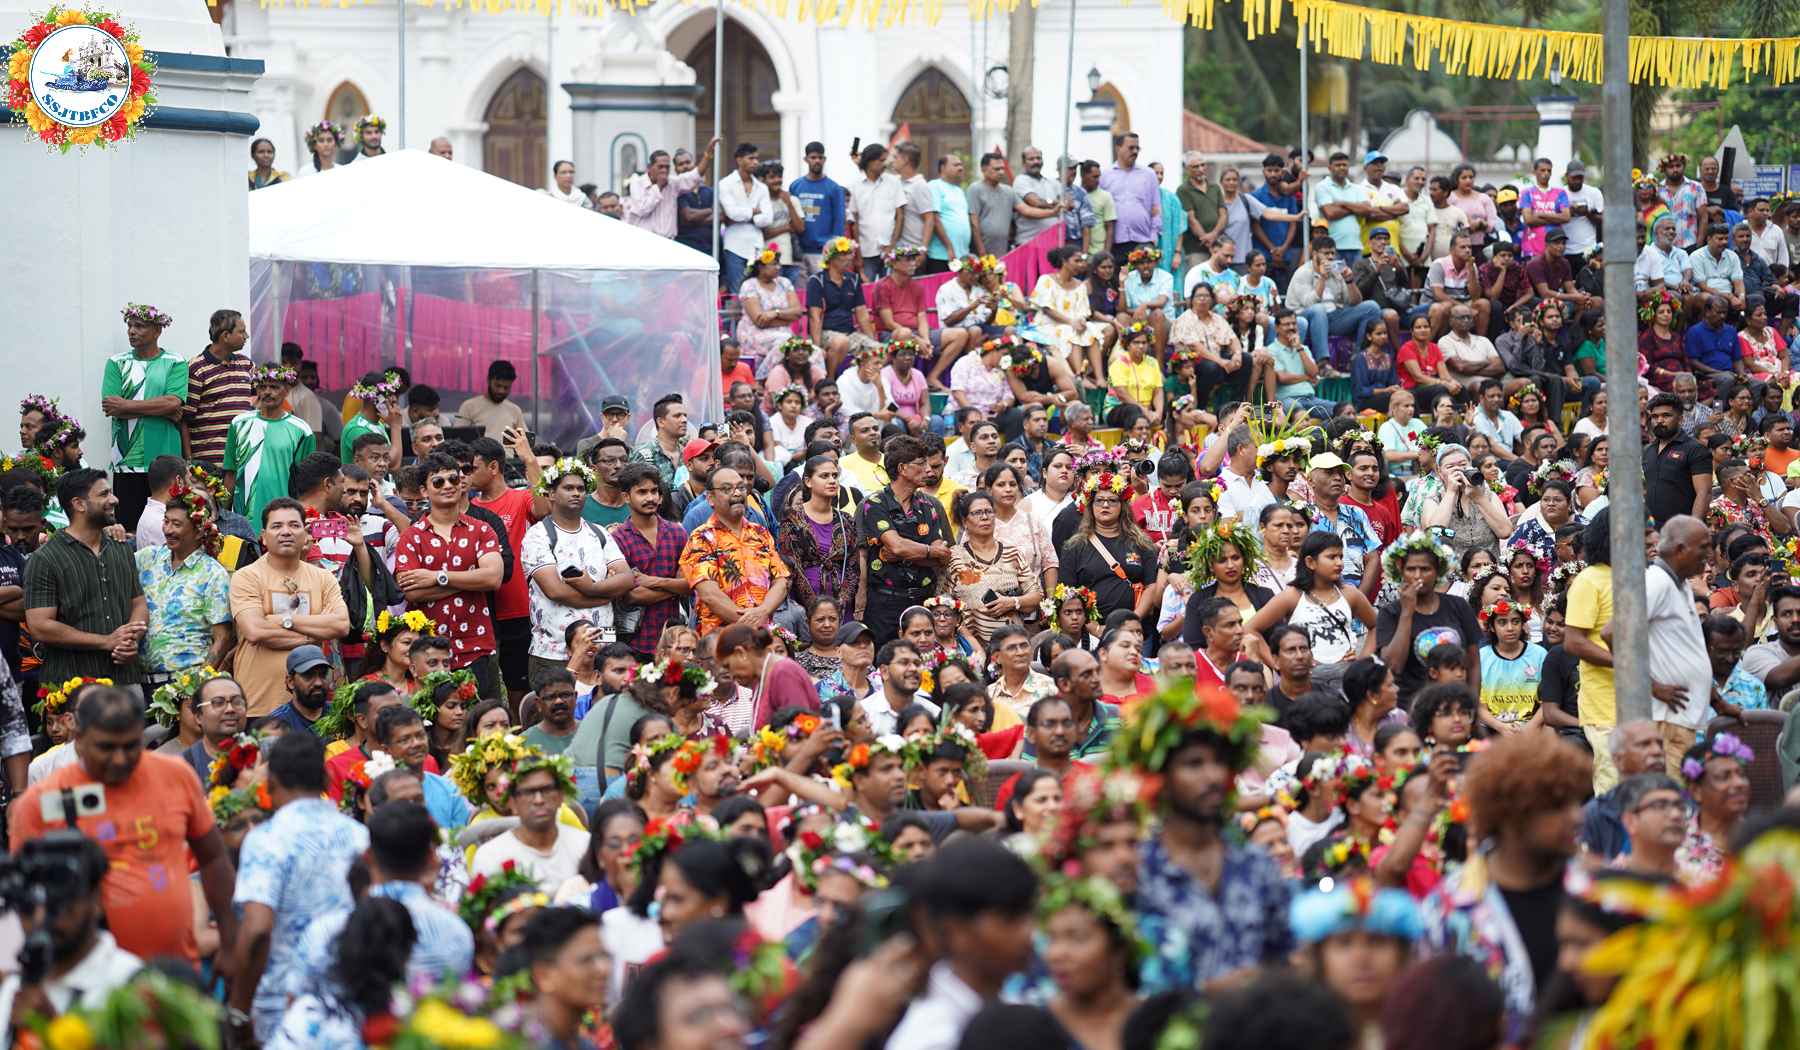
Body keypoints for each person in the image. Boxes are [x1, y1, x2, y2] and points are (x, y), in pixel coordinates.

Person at [11, 685, 237, 964]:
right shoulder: (41, 802)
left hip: (176, 969)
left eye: (130, 747)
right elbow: (24, 896)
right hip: (88, 975)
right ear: (78, 738)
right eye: (106, 748)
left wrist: (229, 939)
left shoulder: (175, 775)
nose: (119, 759)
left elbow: (213, 858)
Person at [1420, 731, 1590, 1045]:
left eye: (1576, 803)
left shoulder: (1599, 895)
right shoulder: (1449, 910)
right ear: (1510, 813)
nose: (1576, 817)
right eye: (1556, 806)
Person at [226, 730, 369, 1043]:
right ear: (325, 779)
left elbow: (257, 929)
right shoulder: (360, 837)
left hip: (281, 1007)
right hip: (351, 999)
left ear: (271, 782)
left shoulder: (267, 840)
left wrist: (238, 1009)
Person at [883, 838, 1040, 1050]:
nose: (1028, 932)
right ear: (955, 931)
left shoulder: (1015, 1003)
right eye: (1009, 919)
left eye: (1030, 914)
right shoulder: (935, 1040)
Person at [0, 831, 142, 1041]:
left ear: (96, 899)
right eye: (31, 905)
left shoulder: (131, 984)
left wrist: (53, 1029)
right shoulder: (15, 988)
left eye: (63, 904)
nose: (44, 916)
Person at [25, 469, 147, 690]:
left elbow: (138, 603)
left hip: (125, 679)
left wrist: (130, 640)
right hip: (72, 686)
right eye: (104, 494)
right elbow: (40, 626)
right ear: (79, 504)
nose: (114, 499)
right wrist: (105, 641)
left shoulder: (121, 548)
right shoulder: (45, 559)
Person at [394, 452, 504, 693]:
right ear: (424, 491)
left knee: (479, 714)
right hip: (427, 652)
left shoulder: (482, 529)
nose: (448, 486)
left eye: (453, 479)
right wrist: (471, 579)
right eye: (438, 481)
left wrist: (437, 577)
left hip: (475, 645)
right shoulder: (411, 536)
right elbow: (412, 592)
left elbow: (493, 578)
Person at [521, 458, 633, 684]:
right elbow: (555, 591)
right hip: (554, 651)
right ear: (551, 494)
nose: (576, 493)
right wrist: (604, 595)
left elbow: (627, 578)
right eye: (568, 488)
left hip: (603, 649)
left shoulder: (599, 533)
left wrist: (590, 587)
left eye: (581, 489)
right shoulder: (538, 535)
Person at [104, 303, 190, 532]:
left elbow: (174, 402)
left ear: (157, 330)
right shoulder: (116, 362)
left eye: (139, 326)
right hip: (127, 460)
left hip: (166, 459)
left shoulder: (175, 361)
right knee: (128, 528)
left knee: (171, 524)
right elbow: (111, 407)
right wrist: (162, 408)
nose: (132, 331)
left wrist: (126, 405)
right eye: (130, 326)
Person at [472, 747, 591, 891]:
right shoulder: (490, 857)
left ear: (560, 796)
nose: (538, 800)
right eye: (528, 792)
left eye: (546, 790)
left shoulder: (585, 846)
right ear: (512, 802)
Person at [223, 362, 317, 527]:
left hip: (283, 519)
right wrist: (223, 517)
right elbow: (230, 473)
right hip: (243, 517)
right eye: (262, 387)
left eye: (274, 387)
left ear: (287, 389)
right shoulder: (239, 424)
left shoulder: (302, 430)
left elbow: (306, 484)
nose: (267, 392)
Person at [1287, 235, 1382, 370]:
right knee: (1319, 309)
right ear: (1315, 254)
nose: (1331, 257)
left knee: (1372, 307)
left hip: (1333, 318)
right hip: (1305, 320)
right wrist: (1322, 278)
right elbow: (1309, 304)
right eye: (1326, 253)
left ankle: (1358, 358)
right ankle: (1323, 363)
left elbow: (1354, 301)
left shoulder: (1336, 271)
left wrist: (1349, 281)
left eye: (1333, 253)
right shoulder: (1303, 273)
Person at [1674, 733, 1752, 886]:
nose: (1739, 783)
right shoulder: (1677, 847)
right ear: (1696, 791)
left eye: (1741, 775)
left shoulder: (1761, 838)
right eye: (1724, 777)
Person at [624, 140, 718, 237]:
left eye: (667, 167)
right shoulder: (637, 183)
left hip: (669, 240)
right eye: (660, 167)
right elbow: (642, 209)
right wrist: (659, 187)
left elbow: (695, 175)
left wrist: (707, 155)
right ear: (650, 168)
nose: (664, 170)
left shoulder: (672, 183)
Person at [1609, 773, 1685, 879]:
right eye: (1660, 806)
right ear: (1630, 821)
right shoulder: (1608, 884)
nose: (1676, 815)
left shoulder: (1700, 884)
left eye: (1680, 807)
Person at [455, 360, 528, 442]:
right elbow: (457, 439)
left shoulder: (515, 410)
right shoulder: (469, 407)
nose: (501, 391)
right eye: (498, 386)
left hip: (507, 451)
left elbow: (525, 440)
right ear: (488, 381)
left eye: (506, 388)